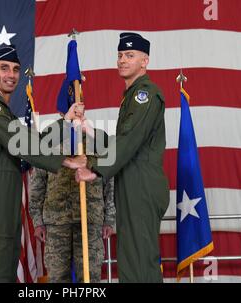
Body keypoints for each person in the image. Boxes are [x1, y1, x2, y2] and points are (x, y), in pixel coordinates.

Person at [0, 45, 86, 282]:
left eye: (15, 69)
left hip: (6, 201)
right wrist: (66, 161)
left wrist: (65, 121)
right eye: (4, 68)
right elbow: (20, 143)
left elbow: (32, 141)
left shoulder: (5, 112)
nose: (11, 74)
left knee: (6, 271)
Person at [75, 33, 170, 282]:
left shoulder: (145, 94)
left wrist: (94, 168)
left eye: (130, 55)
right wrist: (91, 131)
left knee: (139, 260)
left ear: (144, 61)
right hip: (131, 182)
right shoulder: (131, 95)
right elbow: (127, 141)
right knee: (131, 257)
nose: (122, 60)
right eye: (119, 55)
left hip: (141, 184)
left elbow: (129, 141)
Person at [29, 141, 116, 282]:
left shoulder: (96, 143)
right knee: (58, 278)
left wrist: (109, 219)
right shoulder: (50, 143)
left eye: (80, 115)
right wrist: (38, 222)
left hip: (90, 222)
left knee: (90, 277)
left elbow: (110, 183)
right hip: (56, 223)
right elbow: (37, 186)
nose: (76, 117)